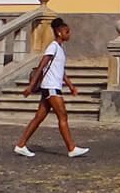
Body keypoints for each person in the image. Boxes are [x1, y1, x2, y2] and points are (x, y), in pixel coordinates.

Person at [13, 18, 88, 158]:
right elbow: (42, 66)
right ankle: (71, 148)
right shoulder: (53, 47)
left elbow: (60, 71)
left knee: (38, 118)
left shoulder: (60, 49)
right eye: (67, 31)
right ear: (59, 32)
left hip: (52, 86)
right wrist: (31, 86)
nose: (69, 34)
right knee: (63, 115)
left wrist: (71, 86)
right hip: (51, 87)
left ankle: (21, 145)